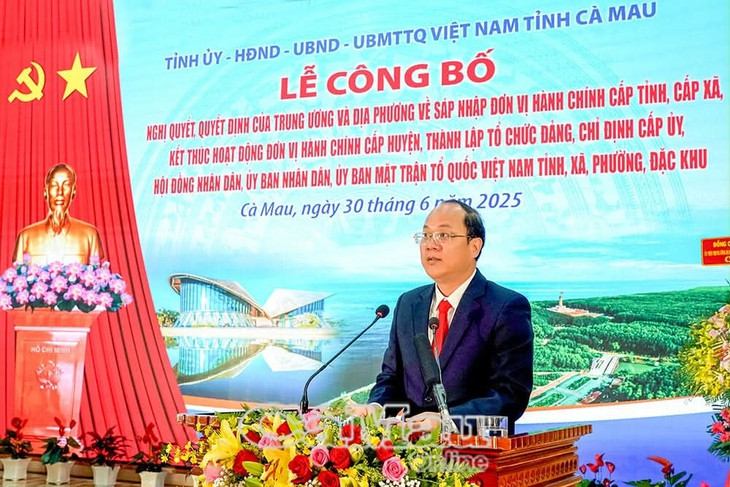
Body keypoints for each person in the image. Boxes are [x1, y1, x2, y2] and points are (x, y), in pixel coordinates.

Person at [366, 199, 534, 434]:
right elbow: (391, 378)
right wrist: (375, 408)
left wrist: (447, 421)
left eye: (443, 235)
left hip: (476, 450)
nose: (430, 245)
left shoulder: (505, 306)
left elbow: (510, 396)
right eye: (425, 235)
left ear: (474, 246)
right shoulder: (408, 304)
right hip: (410, 449)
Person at [12, 163, 105, 265]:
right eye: (54, 185)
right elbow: (19, 272)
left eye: (66, 185)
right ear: (45, 191)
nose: (60, 192)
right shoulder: (26, 237)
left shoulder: (90, 235)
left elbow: (95, 272)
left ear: (73, 191)